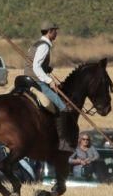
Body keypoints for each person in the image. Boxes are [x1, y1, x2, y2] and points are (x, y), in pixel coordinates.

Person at [25, 20, 76, 152]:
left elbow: (34, 64)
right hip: (37, 81)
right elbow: (36, 66)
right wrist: (49, 81)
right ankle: (62, 142)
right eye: (55, 31)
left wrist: (46, 68)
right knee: (63, 107)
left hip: (27, 79)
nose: (56, 33)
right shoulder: (44, 46)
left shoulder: (35, 44)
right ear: (50, 32)